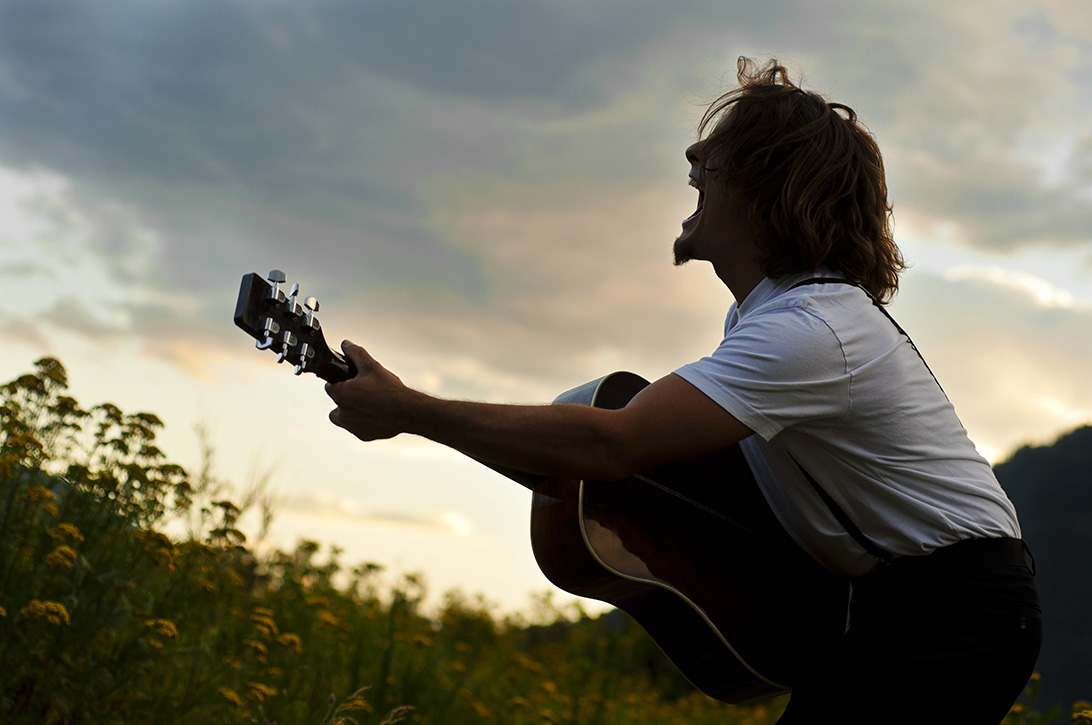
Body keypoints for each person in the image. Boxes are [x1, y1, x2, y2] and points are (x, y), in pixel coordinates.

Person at [325, 57, 1041, 723]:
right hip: (888, 603)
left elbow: (615, 444)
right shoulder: (768, 319)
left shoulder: (812, 331)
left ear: (768, 185)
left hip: (958, 612)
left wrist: (408, 410)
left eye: (717, 151)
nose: (693, 159)